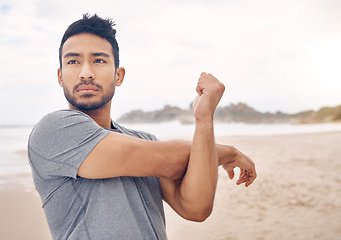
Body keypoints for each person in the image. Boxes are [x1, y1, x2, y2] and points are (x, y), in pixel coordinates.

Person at [28, 14, 256, 240]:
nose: (86, 72)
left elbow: (196, 208)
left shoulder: (145, 140)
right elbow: (169, 160)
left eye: (99, 60)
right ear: (60, 77)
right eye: (73, 61)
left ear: (119, 75)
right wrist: (228, 153)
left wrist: (204, 120)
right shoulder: (54, 130)